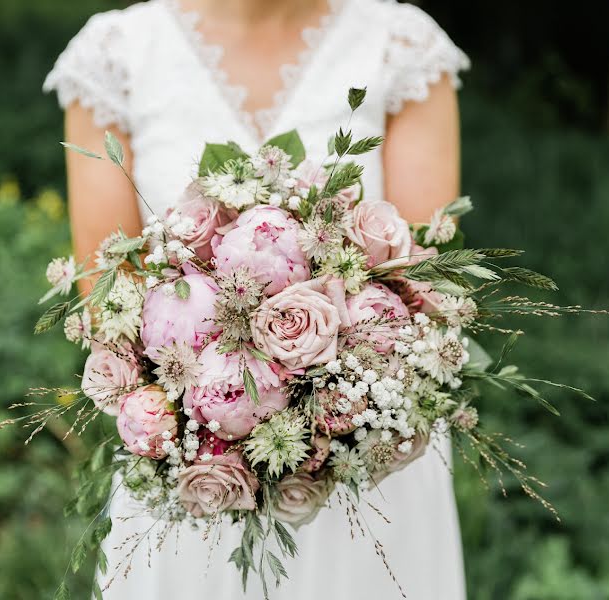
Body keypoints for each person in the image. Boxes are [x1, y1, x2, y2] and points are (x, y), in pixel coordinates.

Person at [44, 1, 469, 597]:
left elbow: (420, 287)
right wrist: (221, 428)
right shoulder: (116, 56)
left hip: (367, 459)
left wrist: (322, 410)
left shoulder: (399, 46)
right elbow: (110, 300)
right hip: (193, 469)